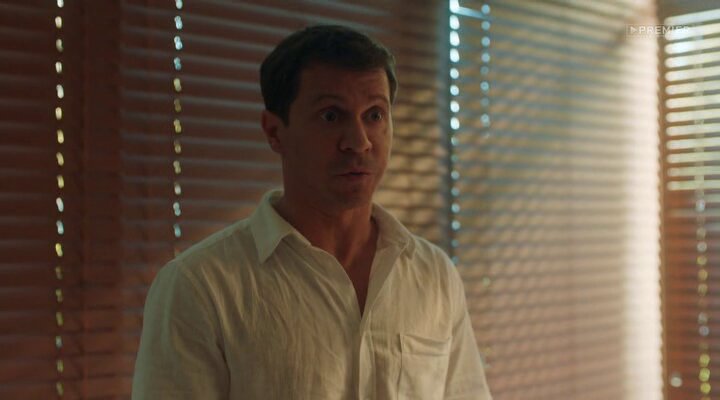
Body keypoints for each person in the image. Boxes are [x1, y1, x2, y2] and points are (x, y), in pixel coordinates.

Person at [132, 25, 492, 400]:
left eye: (374, 115)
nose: (359, 142)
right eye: (331, 116)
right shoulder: (199, 286)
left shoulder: (434, 275)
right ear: (274, 132)